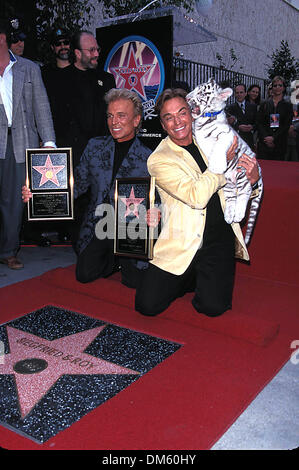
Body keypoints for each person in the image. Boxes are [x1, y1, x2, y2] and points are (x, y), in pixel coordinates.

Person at [135, 88, 260, 318]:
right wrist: (224, 164)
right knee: (146, 305)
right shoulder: (158, 159)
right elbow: (196, 196)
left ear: (192, 113)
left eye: (182, 113)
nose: (177, 122)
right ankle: (188, 276)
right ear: (162, 125)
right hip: (181, 239)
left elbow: (240, 183)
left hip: (217, 237)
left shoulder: (210, 138)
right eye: (168, 118)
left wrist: (251, 181)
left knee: (213, 308)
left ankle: (200, 276)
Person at [23, 88, 152, 287]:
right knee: (85, 274)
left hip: (129, 229)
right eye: (110, 116)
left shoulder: (150, 158)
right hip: (98, 224)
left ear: (136, 120)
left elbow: (157, 200)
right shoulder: (95, 146)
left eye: (121, 115)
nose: (114, 121)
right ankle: (111, 259)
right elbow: (78, 185)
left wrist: (155, 214)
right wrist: (39, 195)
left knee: (134, 282)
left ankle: (121, 259)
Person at [0, 19, 56, 270]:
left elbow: (41, 107)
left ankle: (8, 250)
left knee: (13, 200)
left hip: (20, 142)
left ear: (1, 38)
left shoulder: (29, 68)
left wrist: (49, 143)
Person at [256, 76, 293, 160]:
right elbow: (259, 122)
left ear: (283, 88)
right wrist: (266, 138)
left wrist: (274, 138)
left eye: (280, 85)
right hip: (264, 143)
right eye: (275, 85)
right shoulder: (264, 104)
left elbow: (286, 125)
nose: (277, 88)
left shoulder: (287, 106)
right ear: (272, 88)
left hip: (279, 144)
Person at [226, 83, 257, 151]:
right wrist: (238, 127)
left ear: (245, 93)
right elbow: (227, 125)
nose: (239, 94)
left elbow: (257, 122)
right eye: (237, 93)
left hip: (249, 141)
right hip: (237, 141)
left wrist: (252, 127)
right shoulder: (230, 108)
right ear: (234, 94)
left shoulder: (253, 107)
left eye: (241, 92)